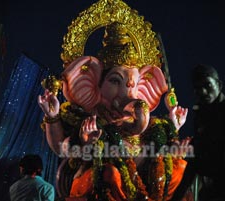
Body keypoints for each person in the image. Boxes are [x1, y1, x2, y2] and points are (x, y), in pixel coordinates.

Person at [37, 0, 192, 200]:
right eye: (115, 81)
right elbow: (61, 148)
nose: (127, 90)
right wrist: (56, 120)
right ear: (91, 83)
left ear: (143, 86)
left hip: (146, 187)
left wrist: (173, 127)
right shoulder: (91, 122)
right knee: (107, 175)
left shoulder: (148, 126)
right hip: (102, 183)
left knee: (179, 170)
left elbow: (155, 150)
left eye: (133, 84)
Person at [174, 64, 225, 201]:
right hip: (210, 192)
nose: (203, 91)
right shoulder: (202, 117)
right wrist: (176, 197)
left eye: (208, 85)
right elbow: (195, 161)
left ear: (219, 85)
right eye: (197, 88)